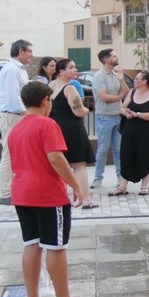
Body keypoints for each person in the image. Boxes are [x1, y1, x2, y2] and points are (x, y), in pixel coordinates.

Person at [9, 81, 92, 297]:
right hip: (47, 195)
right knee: (56, 246)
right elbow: (56, 158)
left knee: (32, 244)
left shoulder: (17, 128)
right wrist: (76, 186)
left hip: (22, 195)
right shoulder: (47, 124)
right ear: (45, 100)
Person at [48, 59, 96, 209]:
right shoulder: (69, 89)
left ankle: (59, 197)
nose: (75, 70)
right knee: (79, 165)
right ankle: (86, 199)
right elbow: (79, 111)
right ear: (61, 71)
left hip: (54, 129)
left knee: (59, 165)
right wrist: (87, 109)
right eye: (71, 68)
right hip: (72, 129)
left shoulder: (49, 86)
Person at [110, 72, 149, 196]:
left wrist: (137, 114)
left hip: (147, 131)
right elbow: (122, 107)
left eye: (137, 78)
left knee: (145, 156)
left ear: (144, 82)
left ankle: (144, 186)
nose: (134, 80)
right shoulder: (132, 91)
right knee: (126, 155)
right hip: (130, 129)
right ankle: (122, 186)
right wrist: (126, 113)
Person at [0, 39, 33, 205]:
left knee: (17, 154)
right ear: (20, 52)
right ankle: (5, 194)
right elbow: (14, 97)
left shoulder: (20, 69)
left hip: (16, 115)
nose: (32, 55)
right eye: (29, 51)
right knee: (9, 154)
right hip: (11, 116)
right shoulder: (12, 69)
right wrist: (28, 114)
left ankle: (15, 190)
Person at [91, 48, 129, 189]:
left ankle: (120, 177)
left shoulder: (115, 75)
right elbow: (104, 97)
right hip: (104, 117)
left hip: (117, 116)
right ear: (106, 59)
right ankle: (98, 178)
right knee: (103, 149)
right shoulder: (99, 76)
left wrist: (122, 80)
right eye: (113, 56)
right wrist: (119, 97)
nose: (116, 57)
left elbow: (126, 93)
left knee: (118, 149)